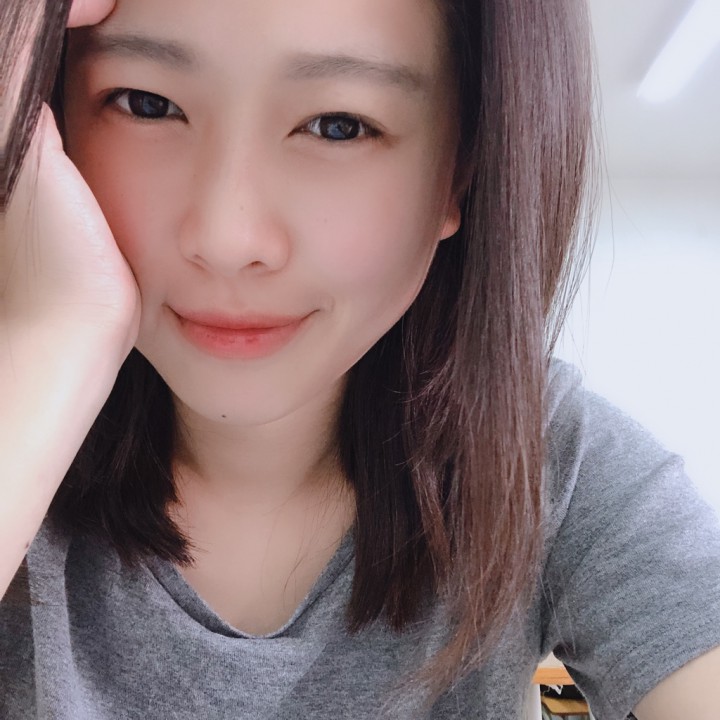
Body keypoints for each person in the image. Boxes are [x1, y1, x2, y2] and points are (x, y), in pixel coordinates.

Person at [1, 0, 719, 718]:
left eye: (338, 125)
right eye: (146, 104)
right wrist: (54, 336)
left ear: (458, 171)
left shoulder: (548, 462)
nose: (227, 239)